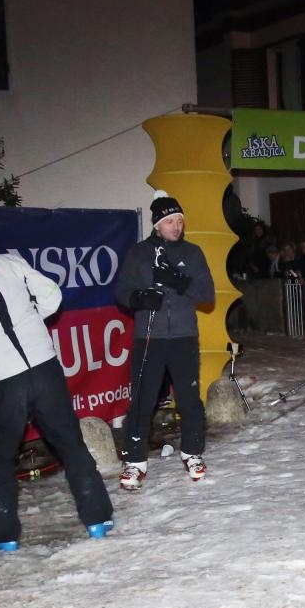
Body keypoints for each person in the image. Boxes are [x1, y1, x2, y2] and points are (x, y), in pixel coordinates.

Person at [0, 222, 114, 548]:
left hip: (2, 379)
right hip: (44, 367)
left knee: (0, 458)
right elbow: (53, 296)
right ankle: (98, 518)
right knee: (71, 444)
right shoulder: (8, 262)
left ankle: (4, 537)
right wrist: (30, 321)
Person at [114, 191, 216, 490]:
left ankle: (192, 452)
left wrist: (180, 282)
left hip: (183, 336)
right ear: (157, 224)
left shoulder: (193, 253)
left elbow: (208, 295)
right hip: (150, 338)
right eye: (169, 221)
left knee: (189, 399)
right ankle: (135, 461)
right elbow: (121, 292)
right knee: (143, 401)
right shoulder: (138, 254)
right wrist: (139, 297)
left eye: (180, 221)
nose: (176, 226)